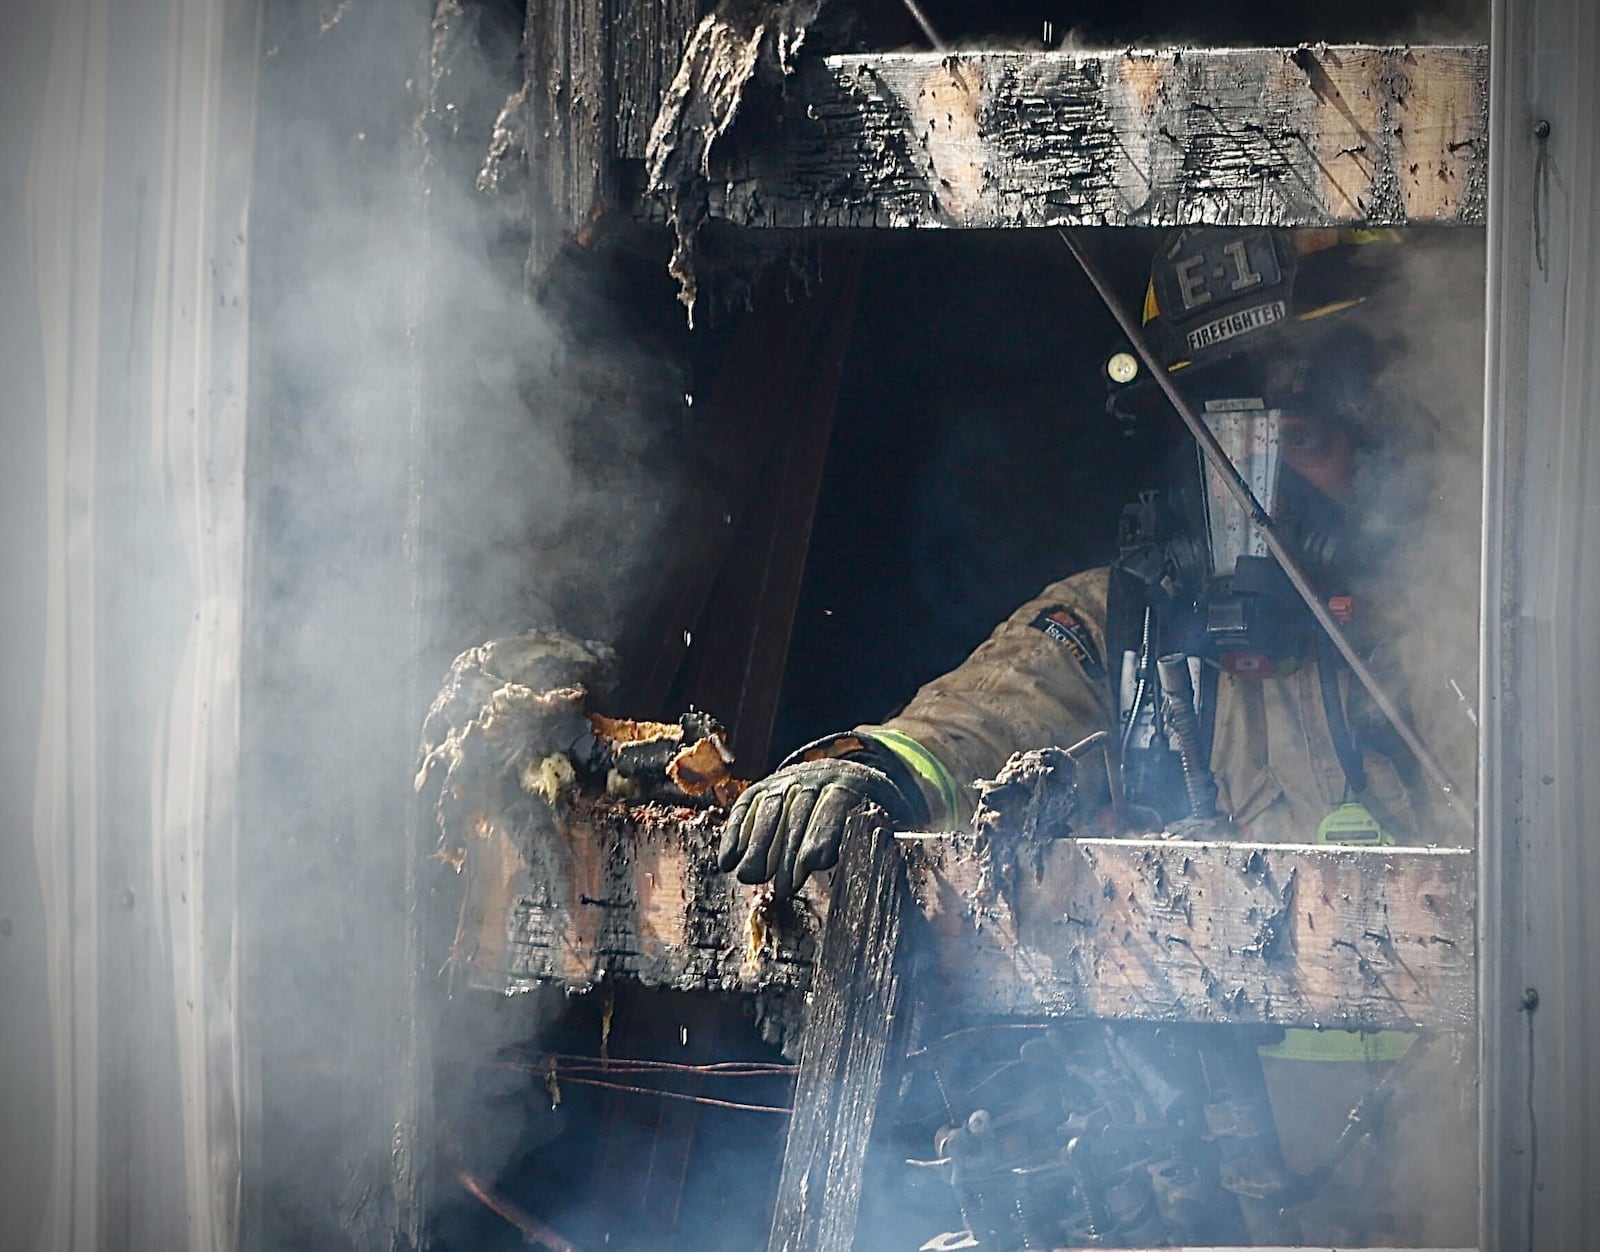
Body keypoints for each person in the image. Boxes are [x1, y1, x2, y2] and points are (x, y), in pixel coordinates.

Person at [718, 226, 1477, 1245]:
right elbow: (989, 708)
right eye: (1232, 446)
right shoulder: (1128, 626)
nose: (1263, 495)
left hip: (1460, 1186)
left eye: (1304, 441)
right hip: (1223, 1207)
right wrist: (868, 769)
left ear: (1381, 450)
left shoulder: (1456, 633)